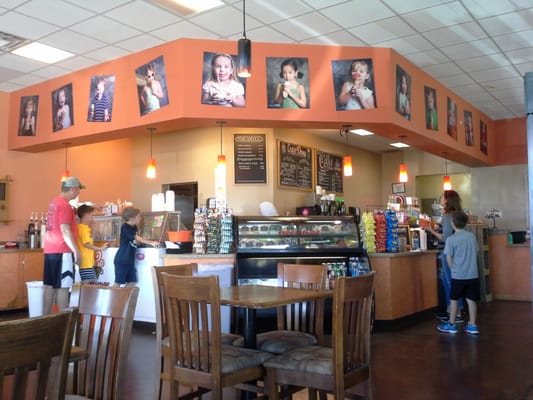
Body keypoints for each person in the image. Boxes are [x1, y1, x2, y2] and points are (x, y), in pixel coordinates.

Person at [43, 176, 84, 314]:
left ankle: (44, 321)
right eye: (78, 190)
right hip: (63, 250)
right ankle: (63, 325)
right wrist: (76, 251)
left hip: (50, 250)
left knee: (49, 286)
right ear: (73, 189)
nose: (78, 193)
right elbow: (65, 230)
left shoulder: (53, 203)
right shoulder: (65, 206)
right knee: (63, 287)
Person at [424, 190, 464, 322]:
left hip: (448, 253)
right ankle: (456, 311)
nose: (440, 198)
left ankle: (453, 313)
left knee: (449, 282)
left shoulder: (447, 216)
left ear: (447, 200)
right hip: (458, 253)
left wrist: (431, 230)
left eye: (442, 196)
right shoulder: (458, 214)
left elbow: (445, 238)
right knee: (457, 282)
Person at [437, 211, 479, 335]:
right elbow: (476, 252)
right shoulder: (471, 236)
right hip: (472, 274)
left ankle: (451, 324)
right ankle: (472, 324)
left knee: (454, 299)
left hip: (458, 275)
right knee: (471, 299)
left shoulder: (451, 239)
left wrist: (453, 269)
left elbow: (448, 257)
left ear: (452, 223)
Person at [113, 207, 159, 286]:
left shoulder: (134, 227)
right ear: (132, 218)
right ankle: (114, 298)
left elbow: (136, 240)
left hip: (130, 260)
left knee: (132, 282)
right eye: (139, 216)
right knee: (118, 283)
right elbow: (137, 238)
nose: (140, 218)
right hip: (122, 259)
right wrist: (151, 242)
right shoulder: (125, 227)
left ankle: (125, 298)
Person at [77, 204, 110, 282]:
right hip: (86, 263)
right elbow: (86, 244)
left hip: (85, 263)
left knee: (89, 286)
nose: (93, 218)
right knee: (90, 286)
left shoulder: (81, 227)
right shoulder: (84, 228)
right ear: (86, 215)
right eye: (92, 215)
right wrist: (100, 248)